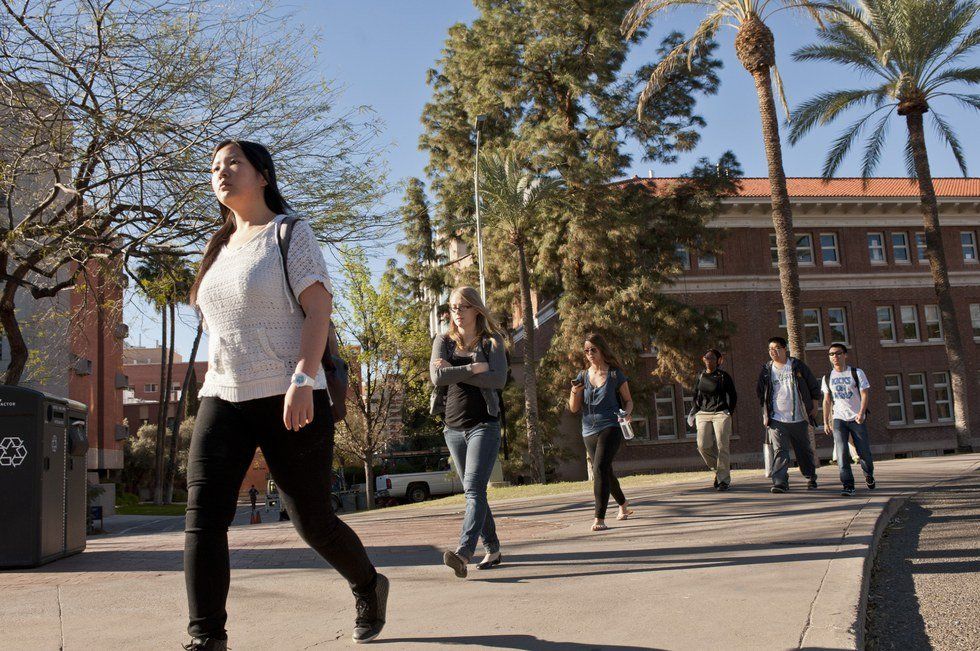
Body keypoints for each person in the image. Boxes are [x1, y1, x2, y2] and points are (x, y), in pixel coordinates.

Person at [183, 140, 387, 649]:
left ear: (263, 175)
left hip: (289, 394)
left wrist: (302, 378)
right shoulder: (219, 248)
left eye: (233, 163)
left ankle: (368, 583)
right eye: (214, 167)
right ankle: (207, 637)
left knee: (312, 520)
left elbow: (318, 311)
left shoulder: (289, 233)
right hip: (223, 395)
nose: (221, 172)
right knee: (203, 517)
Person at [430, 286, 508, 578]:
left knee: (474, 490)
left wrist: (456, 368)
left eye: (462, 307)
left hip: (483, 425)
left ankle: (463, 553)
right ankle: (494, 547)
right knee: (473, 492)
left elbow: (498, 379)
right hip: (452, 427)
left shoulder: (492, 342)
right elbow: (437, 377)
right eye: (452, 307)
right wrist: (475, 367)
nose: (457, 313)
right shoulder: (443, 341)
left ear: (476, 309)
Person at [568, 333, 635, 531]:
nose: (589, 353)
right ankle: (623, 504)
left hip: (611, 425)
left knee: (598, 469)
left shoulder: (615, 374)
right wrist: (575, 391)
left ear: (602, 350)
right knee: (605, 470)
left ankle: (599, 518)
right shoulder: (582, 376)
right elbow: (573, 408)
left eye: (593, 350)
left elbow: (628, 400)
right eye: (586, 350)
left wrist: (627, 414)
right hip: (588, 429)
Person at [756, 336, 822, 494]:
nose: (773, 351)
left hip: (799, 417)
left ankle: (810, 476)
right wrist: (765, 413)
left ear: (785, 349)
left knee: (803, 450)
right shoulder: (766, 369)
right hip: (776, 418)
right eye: (770, 349)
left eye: (777, 348)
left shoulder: (797, 365)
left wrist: (814, 405)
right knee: (780, 450)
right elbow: (761, 393)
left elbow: (813, 385)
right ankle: (780, 482)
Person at [821, 343, 876, 497]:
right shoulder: (827, 378)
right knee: (841, 452)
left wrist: (861, 412)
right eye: (831, 354)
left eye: (838, 353)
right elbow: (826, 401)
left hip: (856, 418)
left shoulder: (856, 373)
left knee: (863, 451)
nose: (835, 357)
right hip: (838, 418)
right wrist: (826, 421)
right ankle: (848, 485)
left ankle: (868, 474)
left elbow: (864, 394)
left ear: (845, 355)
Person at [686, 349, 738, 491]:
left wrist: (729, 412)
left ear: (718, 360)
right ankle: (720, 471)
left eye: (712, 358)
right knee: (702, 445)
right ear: (703, 360)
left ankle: (723, 481)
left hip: (721, 413)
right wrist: (696, 409)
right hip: (703, 413)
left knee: (722, 447)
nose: (709, 360)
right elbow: (695, 394)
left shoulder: (723, 376)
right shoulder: (700, 376)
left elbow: (733, 395)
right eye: (706, 358)